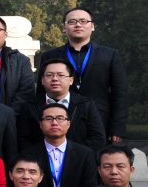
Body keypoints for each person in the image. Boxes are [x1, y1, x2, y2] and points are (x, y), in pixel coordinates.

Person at [39, 8, 129, 143]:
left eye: (83, 21)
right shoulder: (50, 56)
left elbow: (120, 93)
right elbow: (41, 92)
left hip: (101, 121)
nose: (78, 25)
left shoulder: (109, 55)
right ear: (64, 27)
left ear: (92, 26)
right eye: (72, 22)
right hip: (61, 121)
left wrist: (118, 127)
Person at [18, 59, 106, 152]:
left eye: (61, 75)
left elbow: (98, 138)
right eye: (49, 75)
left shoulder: (86, 105)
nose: (55, 79)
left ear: (71, 80)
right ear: (42, 80)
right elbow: (23, 139)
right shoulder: (30, 106)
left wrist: (75, 155)